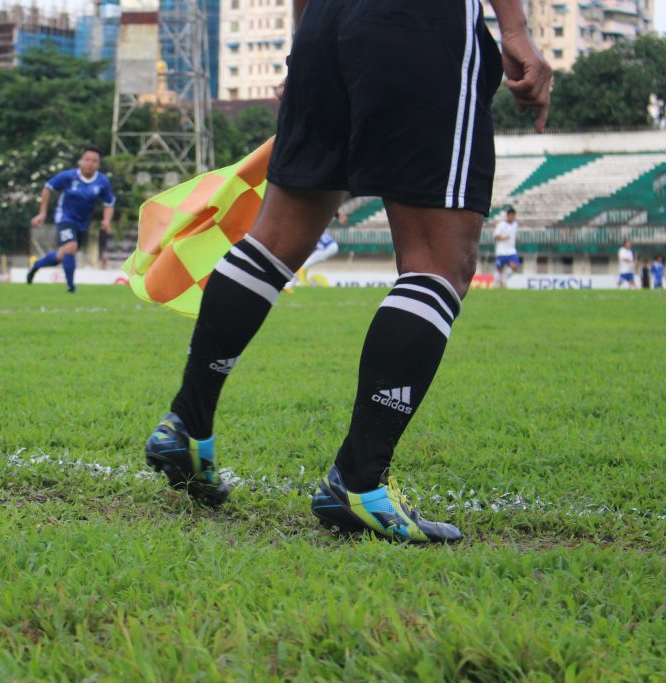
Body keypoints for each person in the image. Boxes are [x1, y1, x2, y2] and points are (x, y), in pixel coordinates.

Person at [143, 0, 551, 543]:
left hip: (323, 26)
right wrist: (516, 28)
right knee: (438, 264)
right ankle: (359, 483)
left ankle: (187, 423)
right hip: (419, 27)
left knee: (274, 241)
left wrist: (304, 44)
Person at [27, 145, 115, 293]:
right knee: (71, 246)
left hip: (83, 223)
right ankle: (70, 287)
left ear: (98, 164)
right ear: (81, 161)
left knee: (64, 254)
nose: (90, 163)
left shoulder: (102, 181)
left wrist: (107, 220)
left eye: (94, 161)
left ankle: (36, 265)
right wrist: (42, 213)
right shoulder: (68, 176)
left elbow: (109, 203)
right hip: (64, 217)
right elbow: (47, 187)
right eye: (87, 159)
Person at [493, 207, 521, 288]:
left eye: (514, 215)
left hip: (511, 251)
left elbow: (513, 235)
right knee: (499, 269)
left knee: (515, 266)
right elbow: (495, 237)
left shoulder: (515, 225)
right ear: (508, 216)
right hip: (501, 251)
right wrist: (504, 238)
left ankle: (504, 279)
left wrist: (517, 239)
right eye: (511, 215)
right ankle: (495, 285)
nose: (513, 217)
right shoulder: (501, 225)